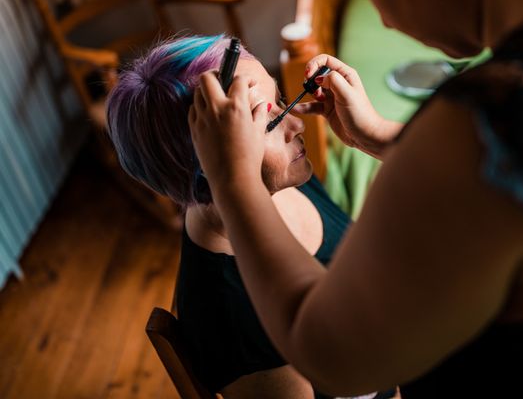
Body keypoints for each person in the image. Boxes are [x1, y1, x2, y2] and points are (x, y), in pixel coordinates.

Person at [187, 0, 523, 397]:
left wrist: (234, 179)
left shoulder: (485, 124)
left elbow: (337, 357)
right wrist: (385, 137)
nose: (381, 17)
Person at [105, 35, 396, 399]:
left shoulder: (282, 178)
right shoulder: (228, 318)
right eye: (266, 124)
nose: (298, 126)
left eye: (283, 104)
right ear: (209, 161)